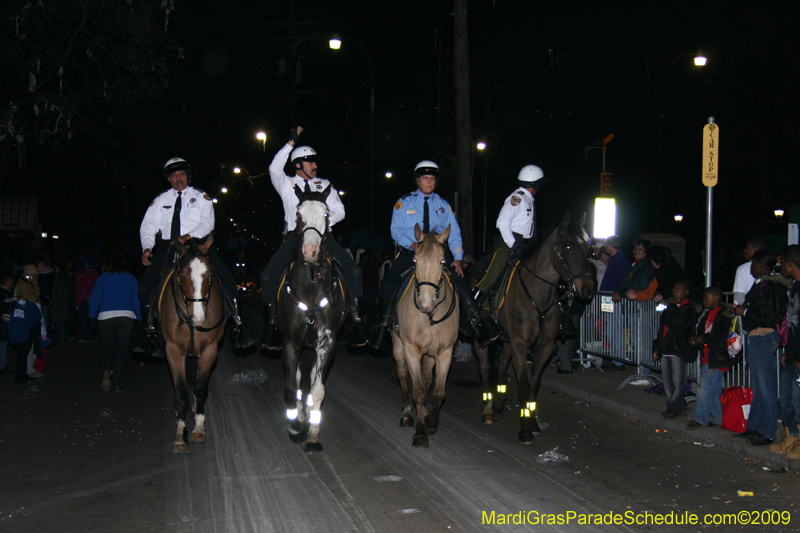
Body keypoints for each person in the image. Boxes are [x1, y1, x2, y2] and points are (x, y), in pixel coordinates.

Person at [258, 126, 369, 350]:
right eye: (310, 162)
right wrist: (291, 143)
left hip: (323, 236)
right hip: (295, 237)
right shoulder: (286, 184)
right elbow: (273, 168)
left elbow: (340, 210)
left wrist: (322, 221)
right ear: (298, 165)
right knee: (268, 276)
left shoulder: (325, 185)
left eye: (315, 161)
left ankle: (355, 320)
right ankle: (271, 324)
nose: (315, 165)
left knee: (354, 271)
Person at [372, 160, 499, 350]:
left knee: (462, 284)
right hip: (412, 251)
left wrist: (457, 258)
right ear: (418, 180)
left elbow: (454, 234)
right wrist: (412, 243)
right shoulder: (404, 202)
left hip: (438, 253)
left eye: (432, 178)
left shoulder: (443, 205)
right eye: (425, 178)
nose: (429, 181)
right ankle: (383, 326)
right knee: (389, 284)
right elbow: (395, 230)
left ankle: (473, 323)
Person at [138, 157, 254, 355]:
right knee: (144, 288)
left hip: (198, 246)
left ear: (188, 176)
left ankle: (238, 327)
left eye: (182, 174)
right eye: (174, 176)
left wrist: (189, 236)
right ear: (168, 179)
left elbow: (208, 223)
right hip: (168, 247)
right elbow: (148, 227)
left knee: (228, 282)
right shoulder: (160, 200)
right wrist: (147, 247)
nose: (178, 178)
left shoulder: (201, 197)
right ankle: (150, 332)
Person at [732, 249, 791, 446]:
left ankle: (768, 431)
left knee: (765, 387)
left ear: (763, 266)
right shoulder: (764, 284)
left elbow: (770, 316)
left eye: (755, 265)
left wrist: (744, 312)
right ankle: (755, 427)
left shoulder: (770, 286)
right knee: (758, 386)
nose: (752, 268)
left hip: (764, 336)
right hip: (758, 336)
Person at [472, 165, 544, 301]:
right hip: (509, 243)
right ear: (536, 184)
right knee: (492, 276)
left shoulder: (528, 199)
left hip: (526, 245)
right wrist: (513, 245)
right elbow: (502, 222)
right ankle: (471, 305)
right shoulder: (518, 198)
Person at [88, 253, 142, 393]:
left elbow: (95, 297)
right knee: (122, 350)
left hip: (105, 316)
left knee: (106, 346)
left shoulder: (103, 278)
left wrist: (92, 316)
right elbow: (136, 299)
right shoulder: (130, 278)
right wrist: (140, 318)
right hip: (126, 316)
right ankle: (119, 383)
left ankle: (106, 369)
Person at [686, 286, 733, 430]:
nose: (704, 300)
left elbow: (721, 339)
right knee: (713, 392)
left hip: (716, 359)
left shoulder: (724, 316)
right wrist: (695, 339)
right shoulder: (707, 314)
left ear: (716, 298)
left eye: (706, 298)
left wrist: (703, 339)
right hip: (708, 357)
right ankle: (720, 419)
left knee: (704, 390)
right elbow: (701, 332)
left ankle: (700, 418)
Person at [653, 279, 698, 418]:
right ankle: (671, 406)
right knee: (667, 381)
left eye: (678, 290)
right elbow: (662, 329)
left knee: (678, 381)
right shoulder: (671, 308)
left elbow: (674, 323)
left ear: (686, 292)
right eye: (673, 290)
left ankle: (675, 408)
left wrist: (671, 307)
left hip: (678, 349)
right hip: (667, 348)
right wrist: (658, 348)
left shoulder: (689, 309)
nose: (675, 293)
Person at [771, 245, 800, 457]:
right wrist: (789, 351)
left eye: (782, 264)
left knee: (798, 401)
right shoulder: (795, 287)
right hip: (792, 353)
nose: (781, 268)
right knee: (787, 399)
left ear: (790, 265)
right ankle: (791, 437)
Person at [733, 237, 768, 305]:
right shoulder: (777, 267)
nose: (744, 250)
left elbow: (738, 299)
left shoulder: (743, 268)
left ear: (756, 250)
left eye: (747, 248)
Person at [75, 257, 98, 343]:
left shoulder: (91, 274)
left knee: (84, 319)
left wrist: (79, 300)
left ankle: (87, 337)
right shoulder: (90, 273)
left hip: (86, 299)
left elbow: (87, 289)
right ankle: (88, 335)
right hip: (88, 299)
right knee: (87, 318)